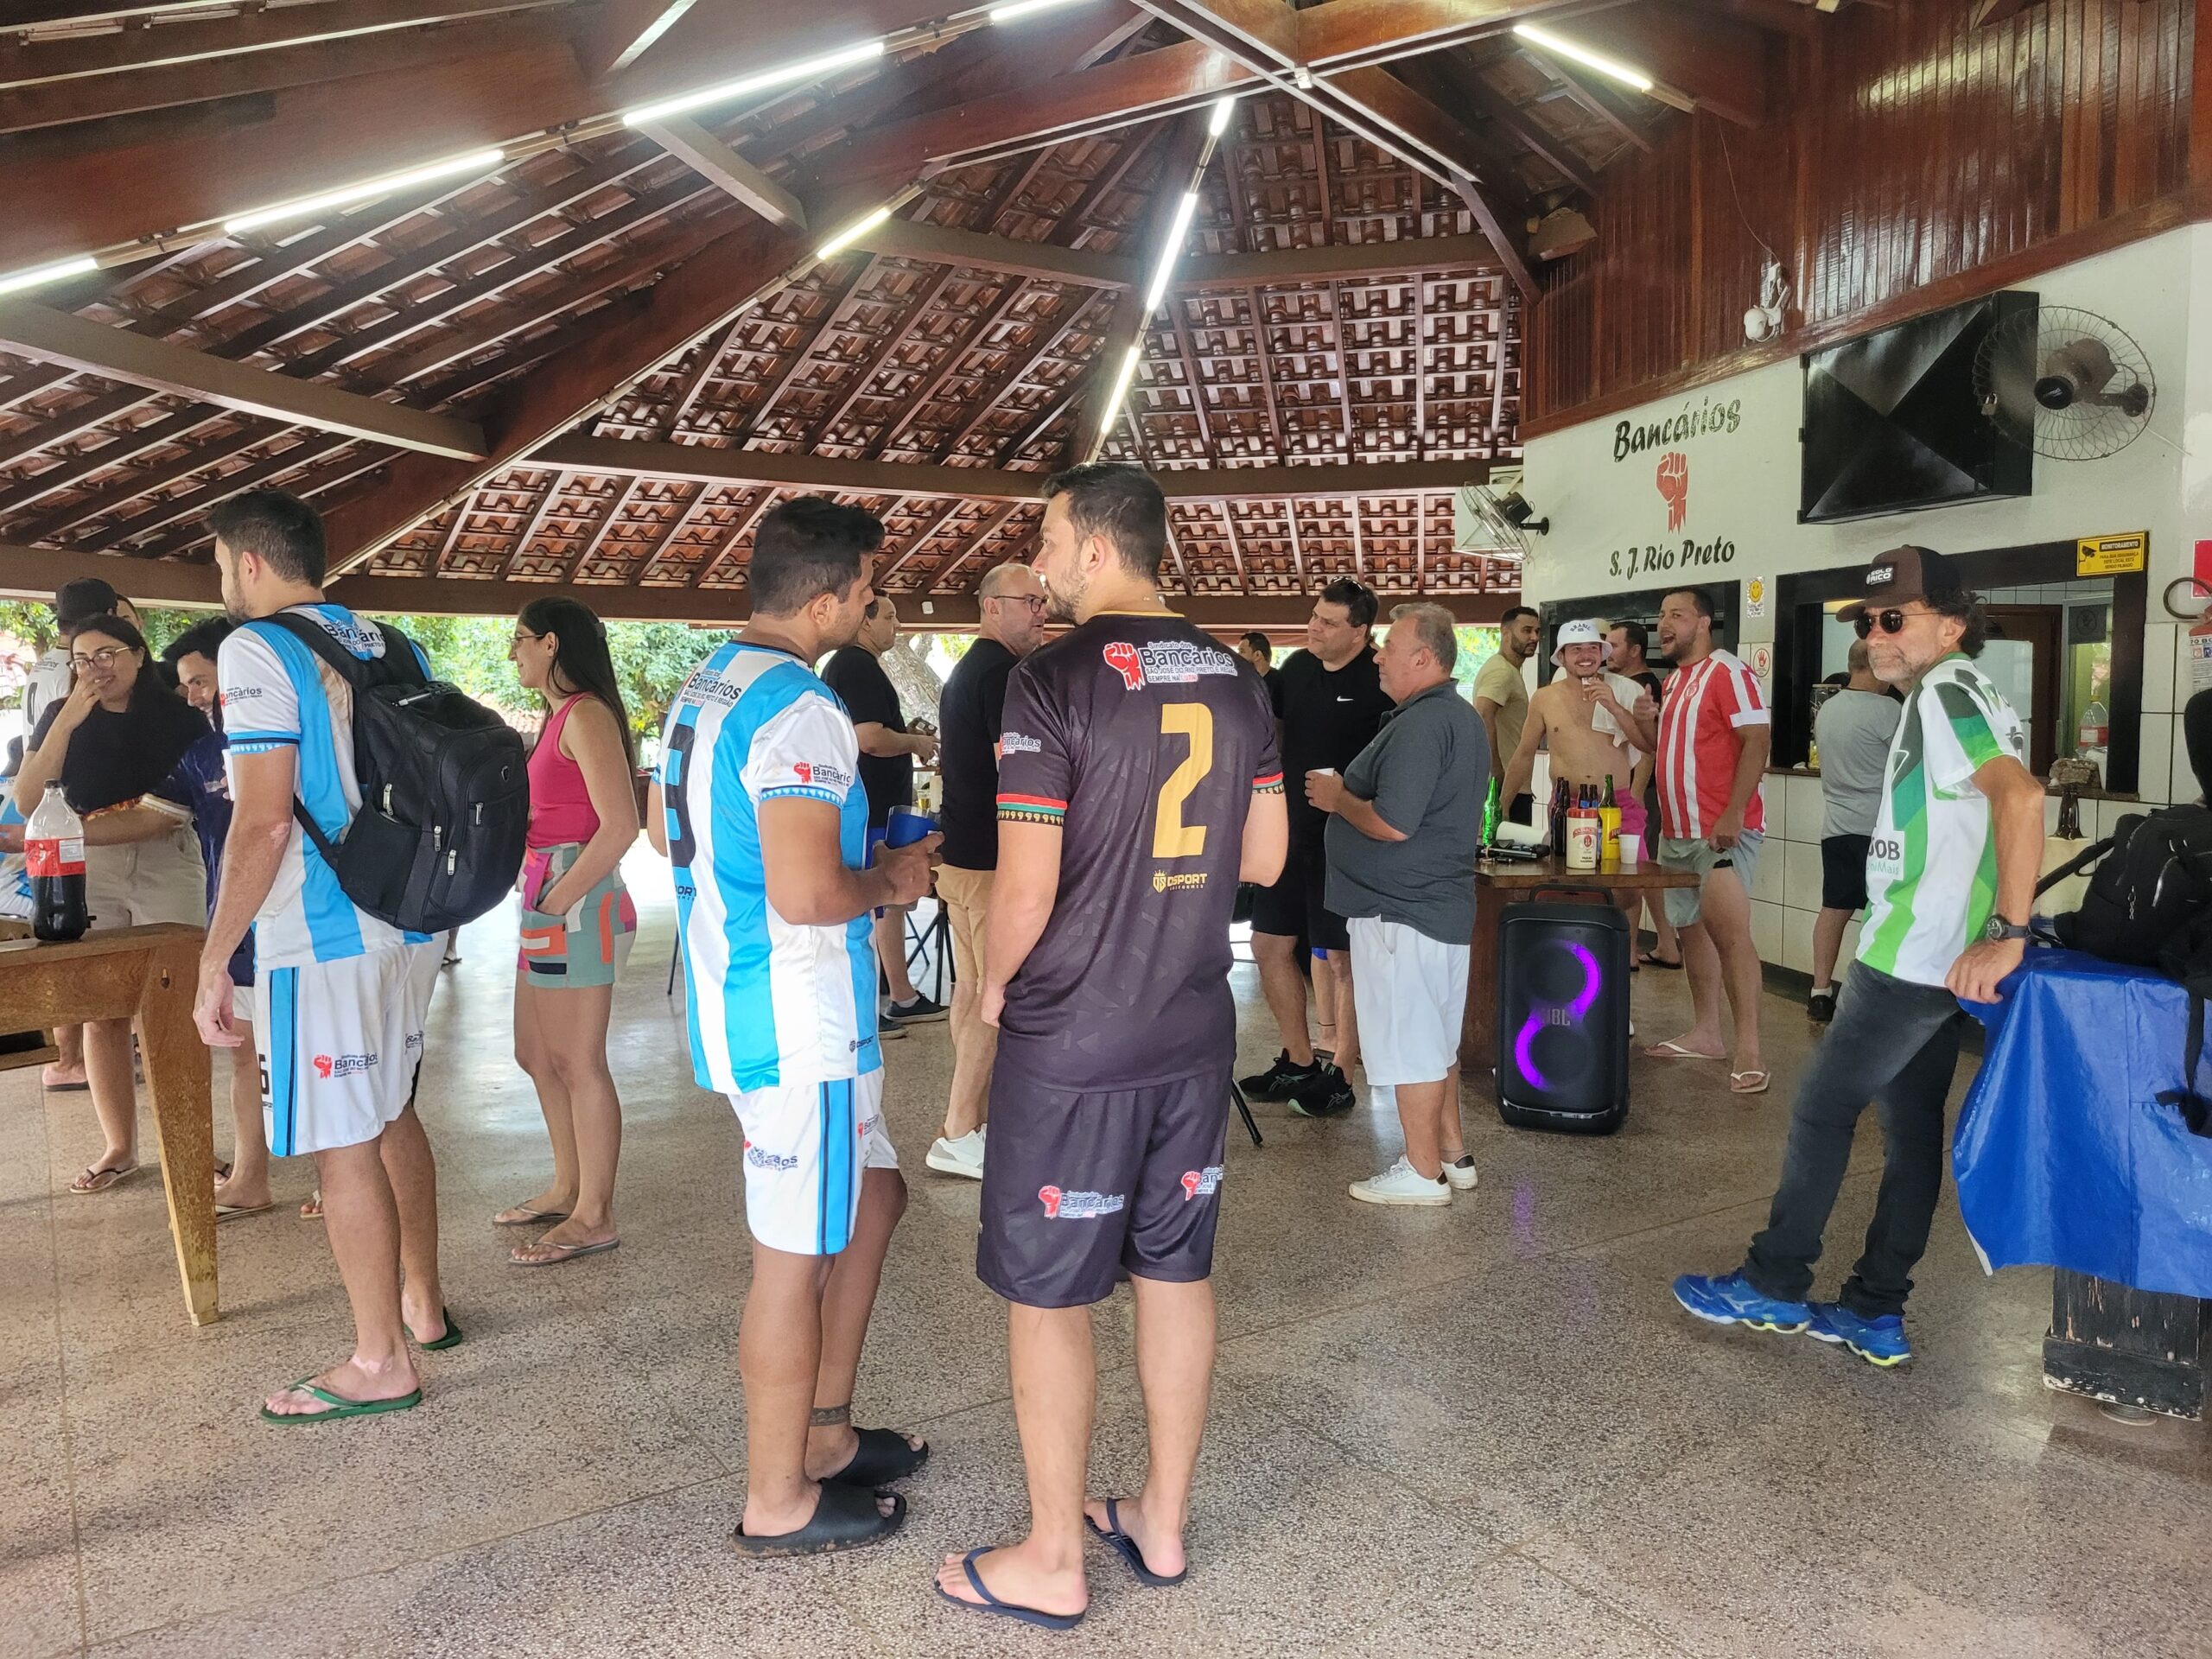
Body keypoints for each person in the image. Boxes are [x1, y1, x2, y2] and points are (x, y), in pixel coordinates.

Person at [936, 463, 1285, 1628]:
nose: (1038, 562)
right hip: (1192, 1027)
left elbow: (1026, 889)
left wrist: (994, 988)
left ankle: (1052, 1556)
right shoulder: (1238, 677)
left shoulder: (1048, 680)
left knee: (1051, 1293)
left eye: (1046, 539)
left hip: (1076, 1036)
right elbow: (1267, 859)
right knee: (1176, 1273)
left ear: (1093, 546)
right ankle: (1161, 1522)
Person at [649, 497, 936, 1555]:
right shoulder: (803, 708)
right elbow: (809, 893)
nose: (870, 607)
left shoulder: (709, 682)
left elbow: (670, 833)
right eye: (866, 591)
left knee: (876, 1198)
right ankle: (777, 1496)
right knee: (794, 1256)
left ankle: (824, 1431)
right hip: (793, 1016)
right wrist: (892, 878)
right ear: (824, 599)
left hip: (759, 998)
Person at [1674, 546, 2042, 1367]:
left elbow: (2022, 796)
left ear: (1952, 624)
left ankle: (1774, 1283)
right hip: (1938, 957)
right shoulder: (1964, 691)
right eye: (1870, 621)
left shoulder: (1947, 691)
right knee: (1911, 1134)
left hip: (1914, 953)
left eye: (1896, 618)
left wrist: (2008, 934)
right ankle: (1874, 1309)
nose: (1877, 635)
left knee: (1822, 1110)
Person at [190, 488, 453, 1421]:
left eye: (221, 565)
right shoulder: (393, 643)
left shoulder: (255, 647)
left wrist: (215, 958)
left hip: (324, 932)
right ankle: (421, 1308)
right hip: (409, 921)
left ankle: (379, 1361)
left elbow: (263, 822)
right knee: (389, 1116)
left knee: (344, 1148)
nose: (222, 583)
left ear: (250, 562)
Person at [14, 614, 213, 1193]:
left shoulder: (178, 714)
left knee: (177, 1005)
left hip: (167, 856)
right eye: (82, 659)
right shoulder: (63, 714)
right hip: (89, 865)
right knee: (103, 1010)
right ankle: (119, 1148)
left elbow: (172, 811)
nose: (96, 668)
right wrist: (68, 719)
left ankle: (193, 1146)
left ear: (138, 654)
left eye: (107, 654)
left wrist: (74, 829)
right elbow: (27, 801)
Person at [1312, 604, 1487, 1205]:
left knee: (1413, 1045)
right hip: (1433, 907)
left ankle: (1421, 1171)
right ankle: (1452, 1155)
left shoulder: (1423, 723)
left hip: (1402, 909)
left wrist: (1337, 798)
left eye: (1389, 646)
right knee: (1435, 1041)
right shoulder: (1455, 716)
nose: (1378, 656)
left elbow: (1392, 823)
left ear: (1424, 657)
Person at [498, 597, 643, 1265]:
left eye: (521, 639)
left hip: (574, 899)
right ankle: (567, 1185)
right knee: (536, 1052)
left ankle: (595, 1214)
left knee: (578, 1062)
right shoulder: (558, 716)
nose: (514, 652)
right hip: (548, 895)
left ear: (552, 643)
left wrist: (557, 900)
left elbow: (620, 826)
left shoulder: (585, 715)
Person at [1237, 578, 1390, 1118]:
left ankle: (1342, 1073)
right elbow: (1273, 735)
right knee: (1268, 945)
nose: (1314, 628)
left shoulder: (1379, 679)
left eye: (1328, 622)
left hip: (1346, 840)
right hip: (1289, 832)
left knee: (1343, 958)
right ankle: (1299, 1060)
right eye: (1314, 617)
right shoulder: (1298, 668)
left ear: (1360, 632)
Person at [925, 561, 1049, 1181]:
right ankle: (958, 1128)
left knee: (972, 990)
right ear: (992, 605)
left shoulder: (970, 669)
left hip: (964, 856)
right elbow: (1018, 771)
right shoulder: (1002, 674)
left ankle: (971, 1120)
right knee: (989, 999)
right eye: (1030, 601)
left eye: (1043, 602)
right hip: (992, 862)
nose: (1042, 613)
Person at [1632, 588, 1771, 1095]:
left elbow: (1758, 738)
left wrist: (1733, 812)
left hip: (1721, 832)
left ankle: (1750, 1049)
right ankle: (1707, 1033)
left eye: (1677, 615)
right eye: (1661, 616)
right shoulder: (1674, 681)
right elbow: (1661, 749)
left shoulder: (1728, 672)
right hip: (1677, 830)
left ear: (1705, 622)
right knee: (1692, 932)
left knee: (1730, 935)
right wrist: (1643, 722)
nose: (1664, 624)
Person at [162, 618, 276, 1220]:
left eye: (201, 681)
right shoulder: (200, 754)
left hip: (300, 924)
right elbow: (156, 813)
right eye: (186, 685)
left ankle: (332, 1178)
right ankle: (250, 1177)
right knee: (243, 1053)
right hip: (236, 928)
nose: (193, 697)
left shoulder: (291, 742)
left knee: (313, 1049)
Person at [26, 577, 142, 1092]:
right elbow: (35, 789)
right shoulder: (67, 687)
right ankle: (68, 1059)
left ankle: (68, 1058)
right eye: (86, 657)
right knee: (95, 991)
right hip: (72, 828)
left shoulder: (43, 668)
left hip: (73, 825)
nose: (95, 666)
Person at [821, 594, 945, 1027]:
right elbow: (869, 739)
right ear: (865, 622)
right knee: (881, 897)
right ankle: (886, 999)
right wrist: (915, 742)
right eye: (890, 616)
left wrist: (903, 734)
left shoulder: (851, 666)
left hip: (872, 805)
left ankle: (896, 992)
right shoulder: (857, 666)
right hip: (870, 807)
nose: (897, 625)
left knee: (886, 900)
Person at [1808, 639, 1902, 1022]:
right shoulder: (1888, 710)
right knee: (1884, 913)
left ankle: (1820, 991)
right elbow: (1909, 765)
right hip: (1881, 831)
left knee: (1834, 909)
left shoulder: (1828, 708)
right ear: (1878, 666)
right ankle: (1870, 997)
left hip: (1837, 827)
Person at [1498, 619, 1652, 851]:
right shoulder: (1544, 698)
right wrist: (1503, 806)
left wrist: (1614, 707)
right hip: (1566, 804)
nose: (1585, 655)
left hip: (1616, 804)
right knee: (1567, 873)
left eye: (1593, 648)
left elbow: (1647, 746)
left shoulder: (1625, 689)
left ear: (1601, 653)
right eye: (1576, 649)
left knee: (1630, 873)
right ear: (1562, 657)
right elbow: (1524, 755)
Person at [1607, 619, 1680, 969]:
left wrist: (1635, 793)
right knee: (1645, 871)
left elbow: (1650, 747)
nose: (1607, 652)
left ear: (1635, 650)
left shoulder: (1640, 687)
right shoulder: (1629, 685)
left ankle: (1632, 949)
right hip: (1643, 792)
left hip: (1641, 792)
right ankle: (1666, 944)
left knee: (1634, 871)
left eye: (1614, 645)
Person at [1475, 605, 1538, 824]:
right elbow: (1483, 713)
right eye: (1527, 630)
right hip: (1504, 788)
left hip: (1513, 785)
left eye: (1537, 631)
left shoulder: (1509, 670)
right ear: (1506, 633)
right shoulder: (1501, 671)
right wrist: (1496, 768)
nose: (1534, 637)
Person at [1234, 630, 1279, 700]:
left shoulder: (1282, 684)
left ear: (1257, 655)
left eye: (1242, 651)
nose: (1237, 656)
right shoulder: (1241, 682)